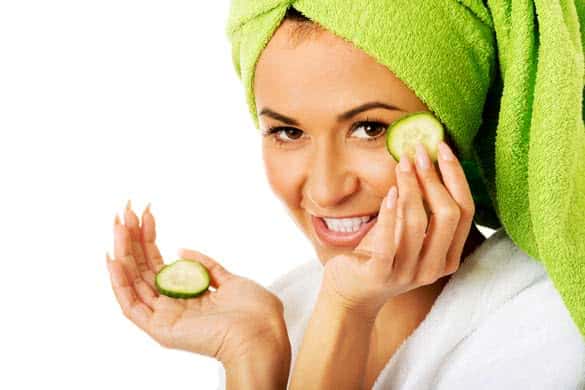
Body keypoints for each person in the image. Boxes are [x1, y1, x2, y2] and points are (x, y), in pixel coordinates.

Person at [106, 4, 585, 390]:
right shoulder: (289, 304)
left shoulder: (550, 326)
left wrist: (346, 311)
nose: (326, 189)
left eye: (370, 128)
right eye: (288, 132)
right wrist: (252, 358)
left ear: (454, 130)